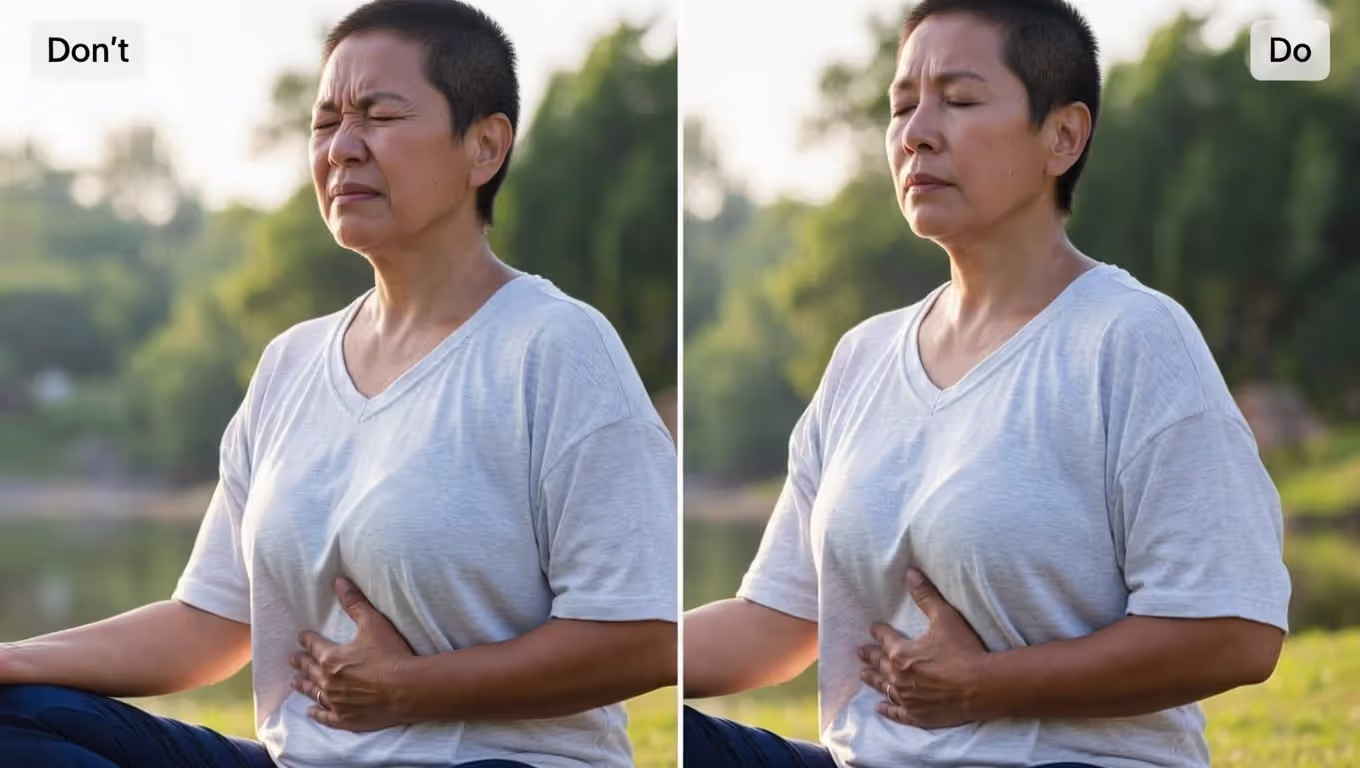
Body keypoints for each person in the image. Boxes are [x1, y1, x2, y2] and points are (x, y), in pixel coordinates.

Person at [0, 1, 677, 767]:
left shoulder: (556, 347)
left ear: (484, 146)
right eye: (325, 125)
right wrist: (13, 658)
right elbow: (211, 623)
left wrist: (416, 690)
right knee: (17, 716)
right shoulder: (291, 362)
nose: (344, 149)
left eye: (380, 116)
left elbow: (647, 640)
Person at [682, 1, 1290, 766]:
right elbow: (775, 621)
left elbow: (1236, 636)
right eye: (902, 106)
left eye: (960, 101)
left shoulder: (1131, 340)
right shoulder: (863, 357)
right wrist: (610, 648)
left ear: (1062, 136)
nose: (916, 133)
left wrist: (989, 685)